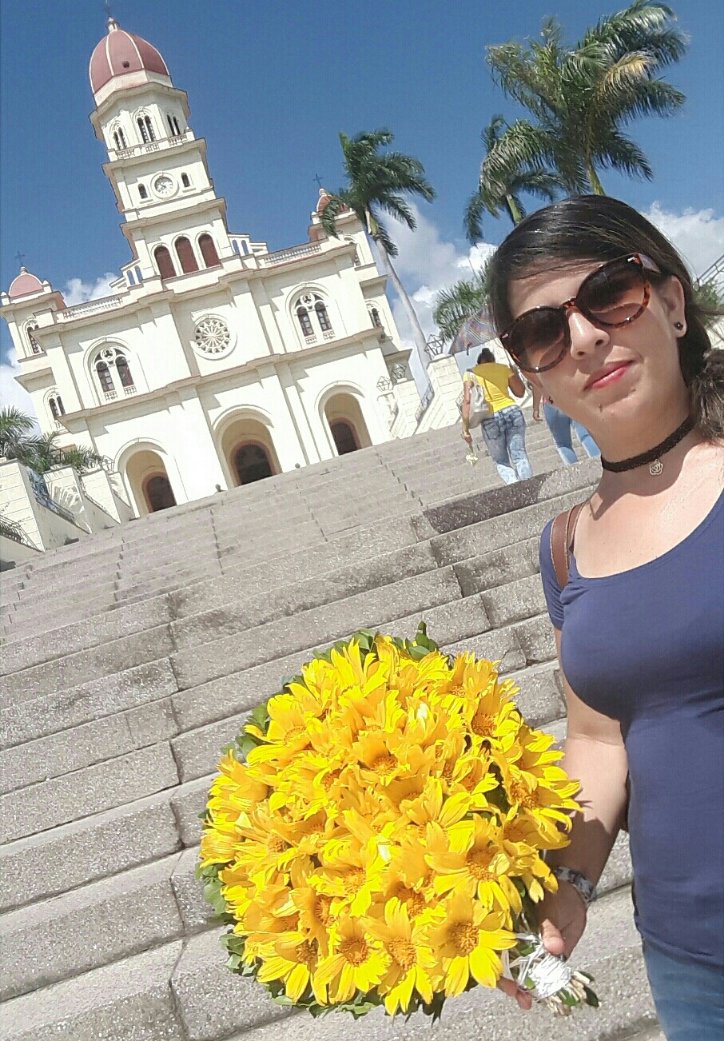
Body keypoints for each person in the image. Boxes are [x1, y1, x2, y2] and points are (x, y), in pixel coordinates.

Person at [486, 195, 724, 1040]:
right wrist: (566, 886)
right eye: (544, 331)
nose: (584, 337)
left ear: (671, 301)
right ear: (533, 375)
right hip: (692, 964)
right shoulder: (564, 547)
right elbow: (597, 738)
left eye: (610, 294)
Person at [461, 347, 533, 484]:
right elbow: (520, 392)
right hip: (512, 412)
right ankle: (528, 485)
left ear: (478, 363)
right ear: (493, 360)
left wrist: (465, 429)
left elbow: (467, 401)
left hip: (490, 418)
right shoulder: (503, 368)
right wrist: (515, 373)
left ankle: (516, 488)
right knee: (519, 455)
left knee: (501, 461)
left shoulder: (471, 373)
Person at [530, 385, 601, 464]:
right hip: (571, 397)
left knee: (563, 444)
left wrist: (535, 408)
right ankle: (598, 462)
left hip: (551, 401)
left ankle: (573, 469)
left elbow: (537, 385)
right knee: (585, 435)